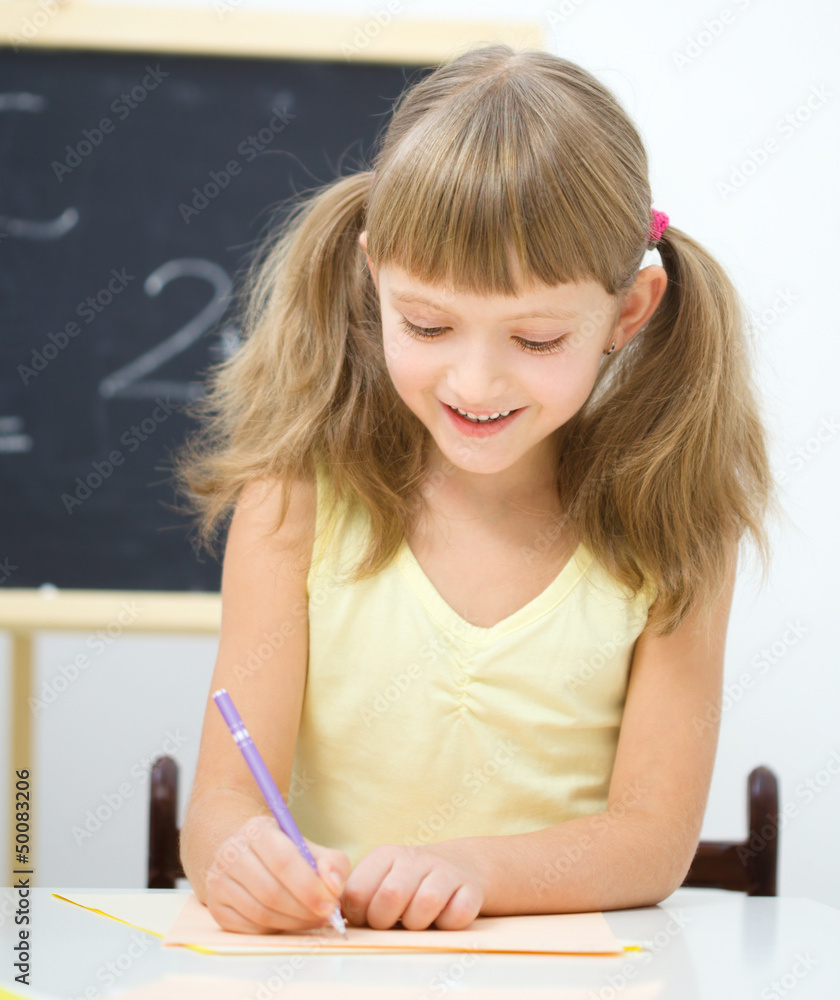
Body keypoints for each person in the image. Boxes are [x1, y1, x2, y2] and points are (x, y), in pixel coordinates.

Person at [171, 43, 780, 935]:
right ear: (374, 274)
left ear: (629, 313)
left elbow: (653, 841)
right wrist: (240, 859)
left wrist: (468, 870)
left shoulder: (677, 523)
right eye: (427, 324)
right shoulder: (294, 498)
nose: (477, 383)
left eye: (534, 341)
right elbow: (220, 808)